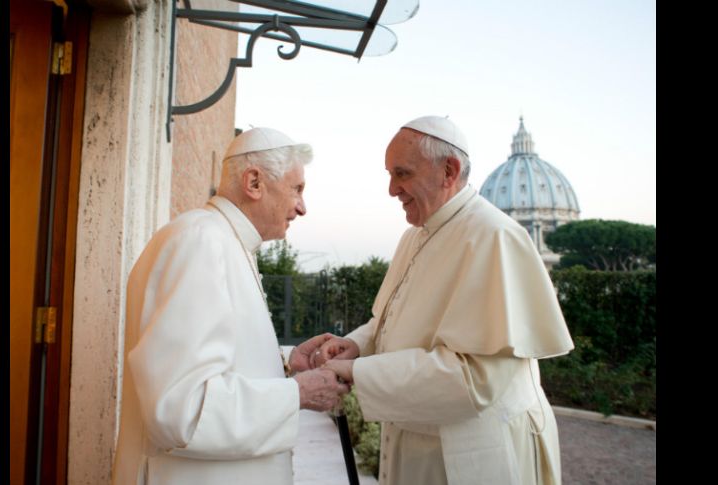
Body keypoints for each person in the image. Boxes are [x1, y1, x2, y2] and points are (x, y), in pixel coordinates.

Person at [313, 116, 575, 485]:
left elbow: (476, 378)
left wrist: (358, 373)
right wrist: (354, 345)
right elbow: (388, 321)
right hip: (416, 439)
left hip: (472, 453)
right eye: (389, 174)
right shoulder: (416, 235)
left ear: (448, 171)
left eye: (401, 174)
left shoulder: (493, 236)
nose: (392, 189)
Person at [112, 127, 349, 485]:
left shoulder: (223, 242)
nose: (302, 207)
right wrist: (297, 393)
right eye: (297, 189)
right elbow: (181, 410)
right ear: (254, 182)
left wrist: (285, 370)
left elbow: (217, 367)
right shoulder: (202, 242)